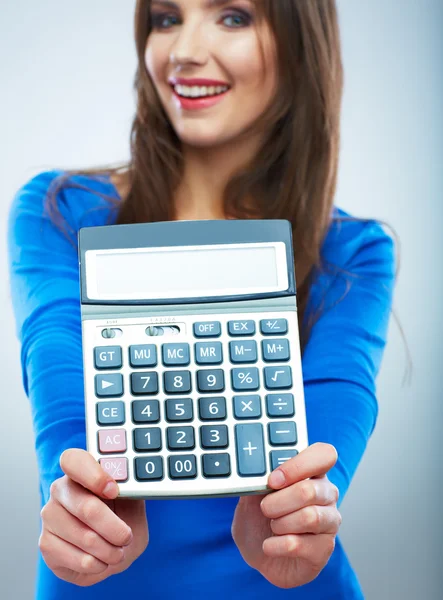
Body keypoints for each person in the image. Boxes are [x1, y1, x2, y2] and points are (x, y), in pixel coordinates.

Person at [6, 0, 398, 598]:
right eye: (166, 17)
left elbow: (331, 420)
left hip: (288, 582)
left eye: (234, 16)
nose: (184, 50)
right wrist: (81, 503)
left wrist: (297, 510)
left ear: (300, 42)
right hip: (99, 580)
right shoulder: (58, 211)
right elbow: (59, 376)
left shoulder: (352, 252)